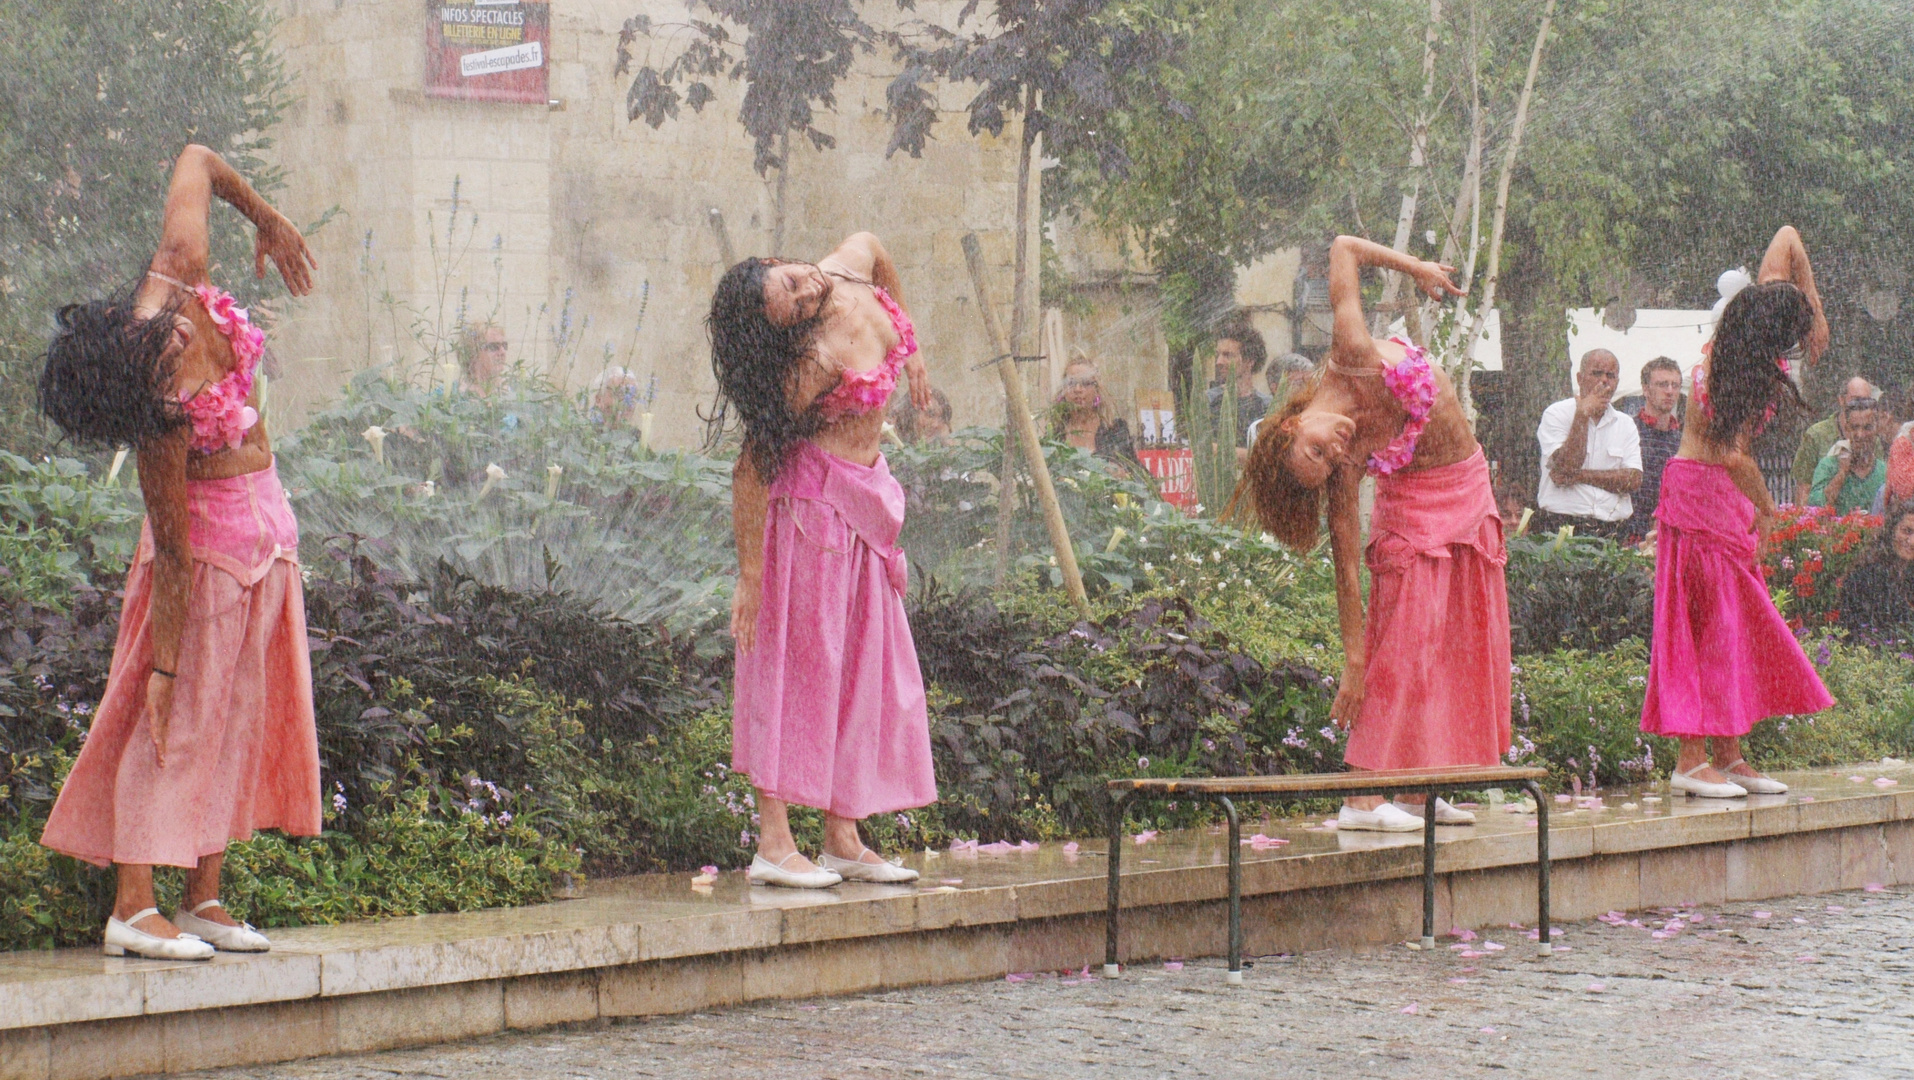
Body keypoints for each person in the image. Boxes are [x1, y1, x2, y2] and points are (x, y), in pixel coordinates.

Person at [35, 145, 322, 959]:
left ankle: (204, 895)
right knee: (175, 721)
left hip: (267, 538)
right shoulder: (158, 415)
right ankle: (132, 905)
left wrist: (267, 219)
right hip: (204, 562)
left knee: (238, 718)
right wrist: (161, 670)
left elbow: (197, 157)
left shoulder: (176, 269)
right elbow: (172, 550)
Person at [1238, 235, 1504, 832]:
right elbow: (1347, 569)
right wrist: (1354, 661)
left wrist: (1418, 270)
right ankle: (1361, 798)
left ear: (1290, 422)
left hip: (1468, 485)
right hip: (1415, 511)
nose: (1333, 452)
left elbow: (1342, 248)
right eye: (1326, 464)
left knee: (1449, 642)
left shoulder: (1353, 353)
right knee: (1404, 644)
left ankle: (1415, 789)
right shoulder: (1344, 464)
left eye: (1316, 447)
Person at [710, 233, 936, 888]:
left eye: (794, 284)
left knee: (864, 671)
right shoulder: (810, 360)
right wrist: (751, 576)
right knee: (793, 670)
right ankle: (774, 845)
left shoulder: (852, 264)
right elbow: (751, 467)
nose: (808, 293)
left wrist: (913, 349)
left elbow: (878, 247)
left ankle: (843, 835)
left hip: (865, 514)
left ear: (779, 263)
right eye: (794, 306)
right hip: (811, 517)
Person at [1642, 225, 1834, 799]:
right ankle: (1689, 757)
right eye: (1796, 336)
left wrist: (1817, 312)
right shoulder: (1735, 373)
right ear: (1772, 336)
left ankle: (1727, 754)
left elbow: (1789, 236)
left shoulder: (1746, 321)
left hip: (1719, 498)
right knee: (1700, 628)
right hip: (1701, 493)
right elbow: (1730, 454)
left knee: (1730, 629)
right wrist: (1770, 509)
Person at [1534, 350, 1643, 540]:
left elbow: (1632, 480)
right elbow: (1568, 464)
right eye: (1596, 373)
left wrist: (1579, 476)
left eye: (1610, 376)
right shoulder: (1556, 414)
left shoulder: (1625, 424)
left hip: (1612, 529)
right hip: (1562, 525)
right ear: (1580, 378)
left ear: (1617, 381)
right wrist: (1582, 415)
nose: (1603, 381)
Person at [1623, 357, 1685, 542]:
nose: (1669, 391)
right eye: (1662, 384)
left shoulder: (1683, 441)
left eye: (1675, 385)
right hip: (1630, 532)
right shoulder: (1628, 431)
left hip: (1670, 533)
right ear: (1645, 389)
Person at [1791, 375, 1876, 506]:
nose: (1861, 405)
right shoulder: (1816, 435)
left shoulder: (1873, 438)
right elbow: (1804, 490)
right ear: (1841, 400)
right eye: (1856, 400)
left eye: (1866, 401)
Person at [1049, 354, 1141, 468]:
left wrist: (1121, 474)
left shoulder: (1114, 430)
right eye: (1071, 383)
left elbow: (1139, 475)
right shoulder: (1056, 433)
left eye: (1085, 383)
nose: (1078, 389)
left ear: (1096, 389)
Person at [1838, 503, 1914, 633]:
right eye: (1907, 531)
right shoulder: (1866, 576)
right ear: (1892, 530)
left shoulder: (1909, 573)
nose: (1912, 541)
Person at [1809, 397, 1887, 513]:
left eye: (1867, 428)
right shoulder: (1828, 466)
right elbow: (1815, 508)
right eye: (1855, 427)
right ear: (1846, 429)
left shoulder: (1885, 472)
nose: (1860, 435)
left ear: (1877, 429)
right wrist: (1842, 473)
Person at [1207, 326, 1272, 447]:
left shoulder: (1266, 406)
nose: (1219, 362)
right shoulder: (1208, 400)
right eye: (1218, 355)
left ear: (1249, 361)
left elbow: (1267, 454)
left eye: (1227, 355)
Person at [888, 386, 953, 445]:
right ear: (911, 414)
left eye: (941, 418)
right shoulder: (891, 450)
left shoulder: (937, 452)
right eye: (930, 415)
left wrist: (948, 443)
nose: (935, 424)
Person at [458, 322, 509, 395]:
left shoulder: (513, 393)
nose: (502, 352)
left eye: (504, 345)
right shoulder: (455, 396)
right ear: (473, 352)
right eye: (494, 347)